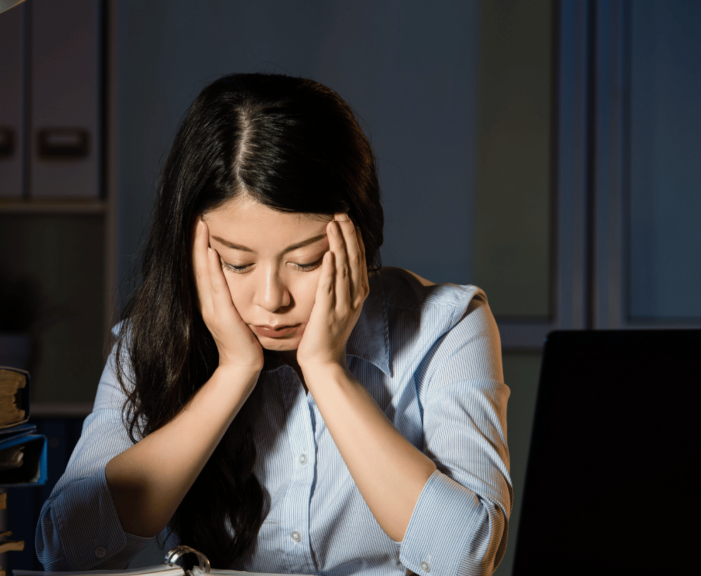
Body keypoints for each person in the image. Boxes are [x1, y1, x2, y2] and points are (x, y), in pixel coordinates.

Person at [36, 73, 512, 576]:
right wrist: (232, 375)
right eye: (237, 264)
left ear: (360, 237)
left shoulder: (449, 327)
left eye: (306, 261)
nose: (271, 300)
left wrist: (327, 373)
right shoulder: (149, 342)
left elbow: (465, 559)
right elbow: (66, 549)